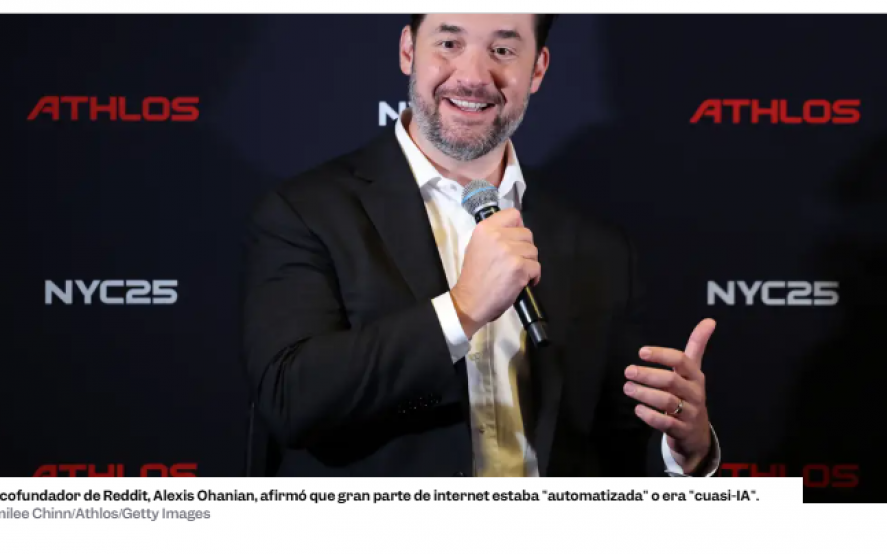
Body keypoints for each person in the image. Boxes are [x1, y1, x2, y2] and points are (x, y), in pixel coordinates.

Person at [242, 13, 720, 477]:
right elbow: (290, 399)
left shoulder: (597, 244)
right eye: (449, 43)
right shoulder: (307, 211)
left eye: (503, 50)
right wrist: (462, 310)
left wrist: (684, 450)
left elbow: (612, 445)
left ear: (537, 69)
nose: (473, 76)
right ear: (408, 50)